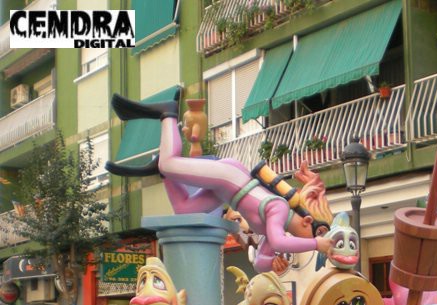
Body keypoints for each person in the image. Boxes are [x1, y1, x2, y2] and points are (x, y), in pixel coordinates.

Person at [106, 94, 336, 273]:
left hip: (226, 193)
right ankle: (168, 114)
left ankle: (163, 171)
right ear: (307, 221)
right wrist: (317, 244)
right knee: (169, 163)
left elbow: (260, 263)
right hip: (230, 178)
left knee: (184, 208)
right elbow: (278, 241)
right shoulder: (280, 208)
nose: (312, 240)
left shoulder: (273, 229)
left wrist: (273, 263)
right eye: (317, 233)